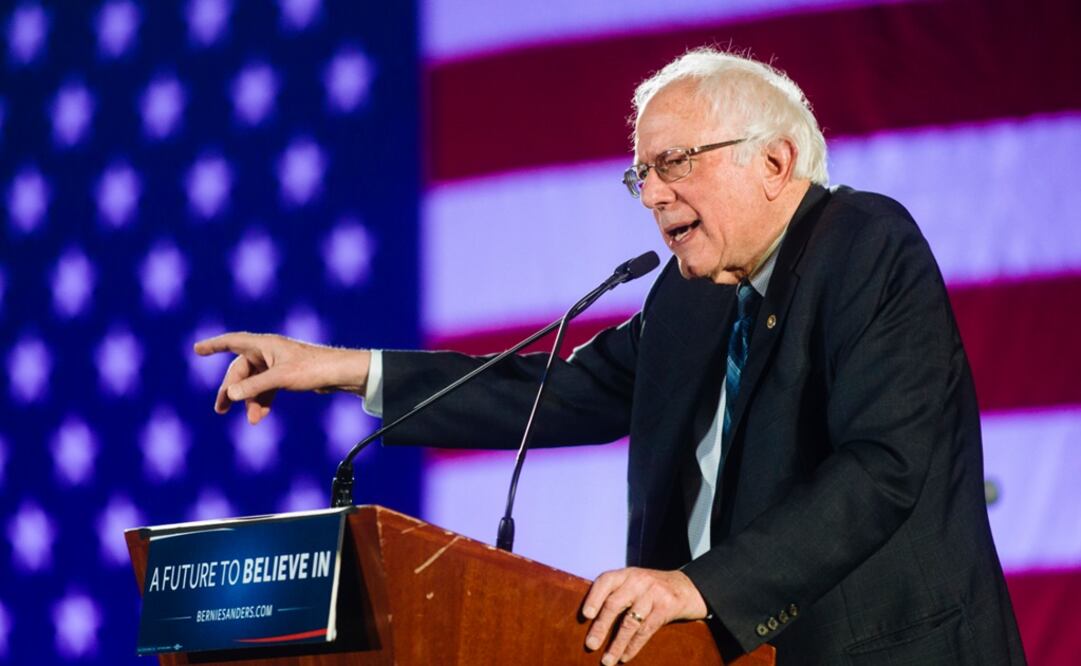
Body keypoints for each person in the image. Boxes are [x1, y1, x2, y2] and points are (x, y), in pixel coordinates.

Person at [195, 48, 1025, 664]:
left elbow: (881, 468)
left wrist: (696, 586)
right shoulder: (689, 296)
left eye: (674, 164)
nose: (655, 194)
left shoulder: (867, 246)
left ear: (774, 162)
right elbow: (553, 392)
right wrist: (339, 368)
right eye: (641, 176)